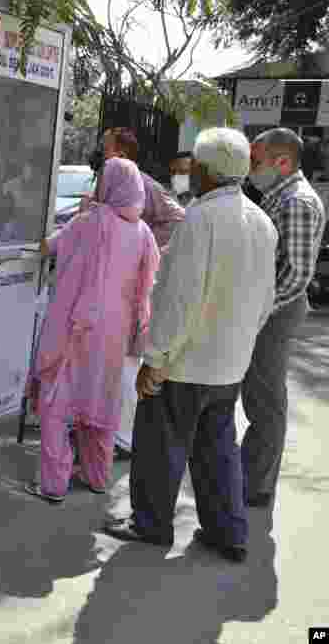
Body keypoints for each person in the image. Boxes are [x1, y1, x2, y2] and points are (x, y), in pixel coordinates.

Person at [104, 128, 278, 563]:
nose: (187, 174)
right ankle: (228, 531)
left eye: (193, 167)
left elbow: (178, 298)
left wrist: (156, 359)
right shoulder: (261, 221)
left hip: (185, 365)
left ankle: (150, 524)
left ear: (205, 170)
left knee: (160, 445)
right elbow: (265, 300)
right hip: (228, 364)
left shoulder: (200, 219)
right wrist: (239, 346)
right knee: (217, 449)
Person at [24, 157, 160, 504]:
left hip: (76, 328)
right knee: (100, 400)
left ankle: (53, 484)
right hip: (116, 333)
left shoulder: (90, 222)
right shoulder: (144, 233)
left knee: (57, 402)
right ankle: (97, 476)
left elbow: (49, 247)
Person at [240, 127, 326, 509]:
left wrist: (258, 313)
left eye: (256, 161)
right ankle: (251, 476)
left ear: (283, 162)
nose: (250, 168)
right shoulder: (279, 196)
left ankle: (254, 486)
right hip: (269, 309)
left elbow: (296, 276)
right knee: (259, 397)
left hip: (276, 312)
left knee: (265, 400)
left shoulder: (297, 202)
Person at [96, 128, 186, 463]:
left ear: (119, 151)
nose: (101, 152)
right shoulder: (116, 180)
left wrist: (148, 253)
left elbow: (177, 220)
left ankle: (126, 436)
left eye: (105, 147)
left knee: (127, 363)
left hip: (135, 286)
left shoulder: (140, 183)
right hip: (116, 286)